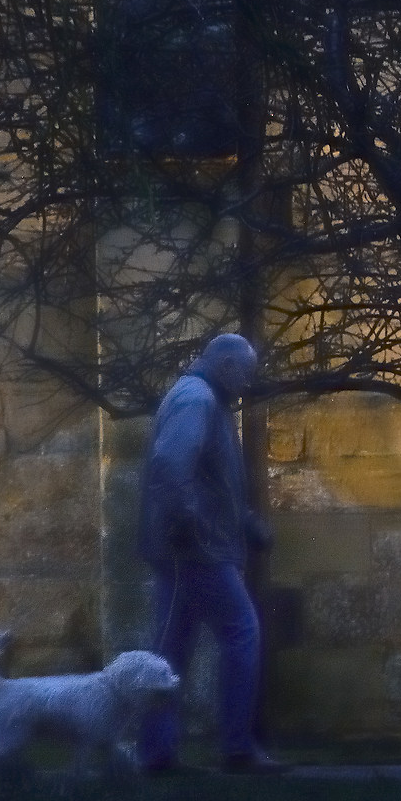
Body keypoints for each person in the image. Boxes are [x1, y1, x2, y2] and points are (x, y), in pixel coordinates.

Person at [135, 331, 284, 773]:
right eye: (245, 373)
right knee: (242, 633)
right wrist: (189, 525)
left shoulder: (202, 399)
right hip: (196, 551)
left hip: (187, 548)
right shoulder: (198, 400)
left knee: (169, 650)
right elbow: (170, 466)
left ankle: (156, 754)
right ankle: (236, 747)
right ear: (225, 366)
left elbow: (213, 483)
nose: (248, 383)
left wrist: (248, 524)